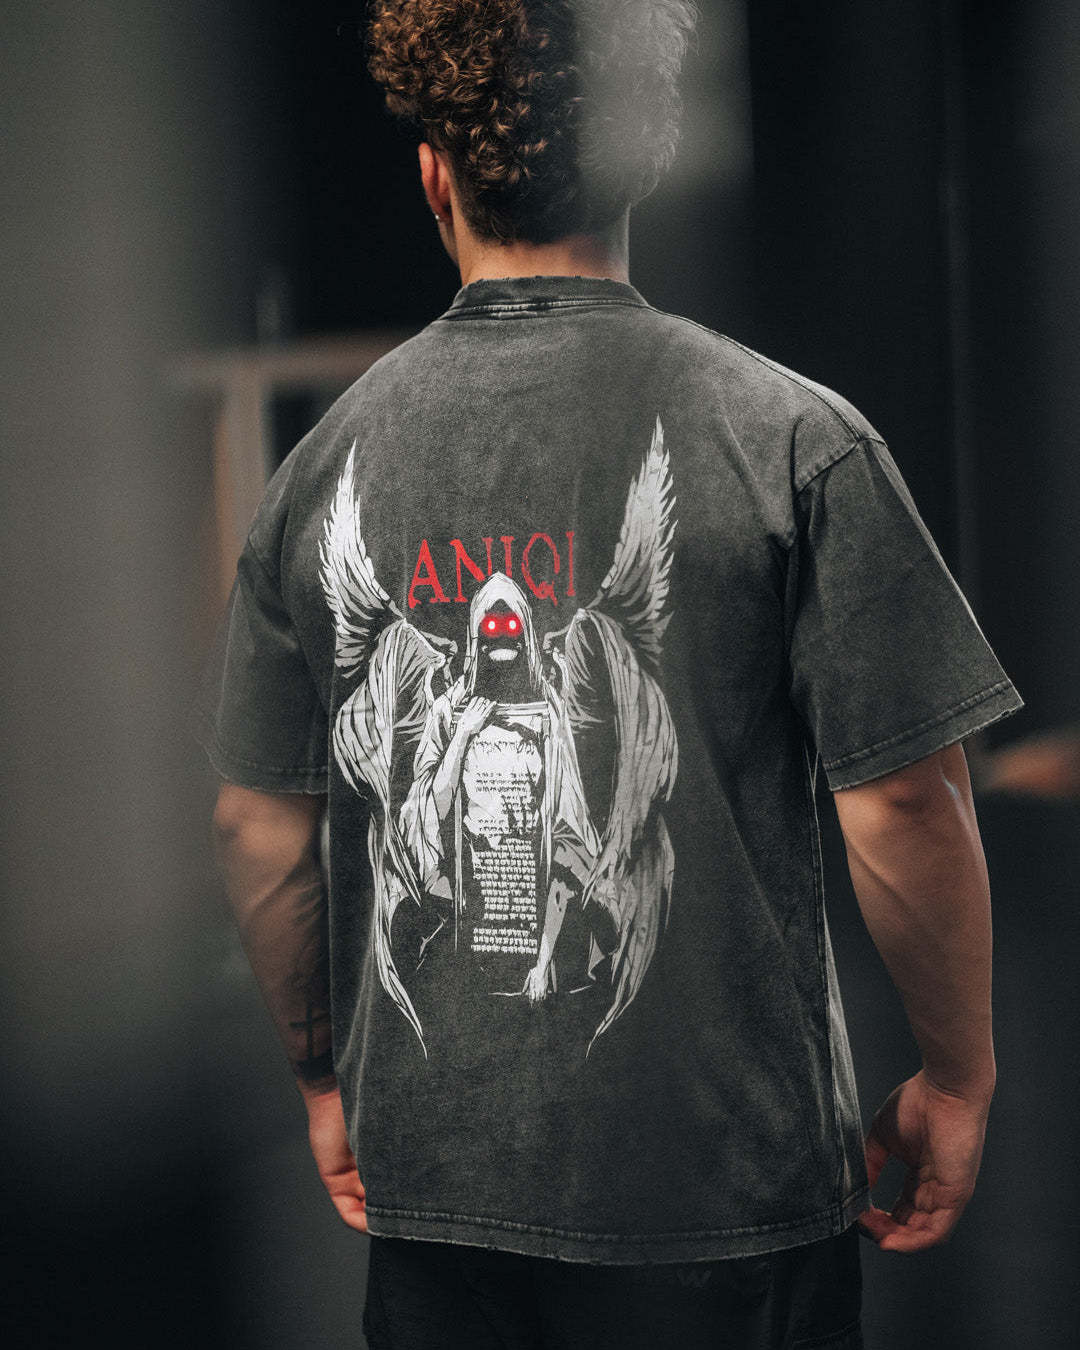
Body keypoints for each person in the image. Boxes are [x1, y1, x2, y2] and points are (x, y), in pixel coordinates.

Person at [198, 2, 1022, 1346]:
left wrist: (322, 1079)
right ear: (643, 158)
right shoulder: (795, 439)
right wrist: (959, 1076)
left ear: (433, 174)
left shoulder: (317, 472)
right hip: (732, 1198)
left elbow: (258, 823)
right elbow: (904, 803)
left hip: (442, 1202)